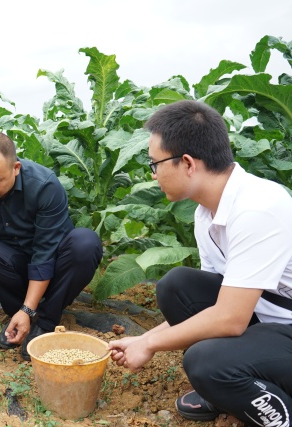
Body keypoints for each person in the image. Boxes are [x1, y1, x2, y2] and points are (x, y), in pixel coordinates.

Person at [108, 100, 292, 426]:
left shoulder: (258, 208)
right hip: (265, 320)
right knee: (177, 287)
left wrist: (149, 343)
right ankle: (231, 389)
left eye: (154, 164)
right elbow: (212, 305)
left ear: (188, 163)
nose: (153, 174)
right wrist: (141, 340)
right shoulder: (206, 214)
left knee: (206, 364)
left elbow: (230, 319)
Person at [0, 131, 103, 361]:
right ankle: (18, 316)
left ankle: (45, 321)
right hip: (14, 270)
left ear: (15, 168)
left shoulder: (44, 185)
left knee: (85, 243)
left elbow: (45, 253)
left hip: (56, 270)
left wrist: (29, 308)